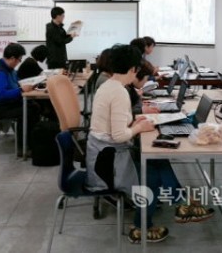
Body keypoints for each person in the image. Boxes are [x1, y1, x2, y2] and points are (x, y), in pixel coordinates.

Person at [85, 44, 213, 244]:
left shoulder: (109, 85)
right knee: (150, 176)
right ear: (133, 68)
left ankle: (181, 203)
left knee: (157, 159)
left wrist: (135, 123)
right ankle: (142, 228)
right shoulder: (118, 92)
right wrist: (138, 128)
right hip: (107, 163)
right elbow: (119, 135)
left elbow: (114, 126)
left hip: (105, 153)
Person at [0, 43, 41, 156]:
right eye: (19, 60)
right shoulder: (0, 72)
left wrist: (29, 83)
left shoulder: (9, 69)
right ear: (12, 58)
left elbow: (17, 82)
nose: (19, 62)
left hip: (5, 103)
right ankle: (23, 147)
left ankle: (31, 142)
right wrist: (21, 90)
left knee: (34, 106)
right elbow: (2, 94)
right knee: (27, 111)